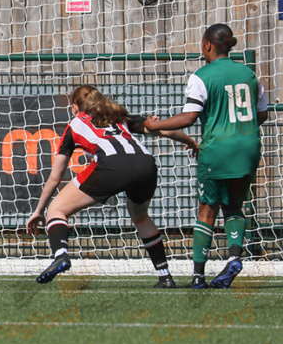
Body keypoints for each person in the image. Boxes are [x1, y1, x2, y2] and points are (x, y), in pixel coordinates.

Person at [27, 85, 199, 288]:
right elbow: (161, 129)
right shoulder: (119, 116)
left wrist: (39, 210)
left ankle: (60, 256)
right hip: (146, 164)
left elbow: (55, 177)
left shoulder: (74, 124)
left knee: (57, 209)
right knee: (141, 216)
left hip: (112, 166)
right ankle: (165, 276)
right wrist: (191, 141)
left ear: (75, 107)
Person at [145, 24, 268, 289]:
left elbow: (189, 117)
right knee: (234, 206)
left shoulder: (202, 76)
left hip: (218, 150)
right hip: (248, 148)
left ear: (207, 45)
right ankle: (235, 257)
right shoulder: (249, 74)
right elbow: (263, 114)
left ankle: (198, 276)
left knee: (207, 209)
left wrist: (154, 126)